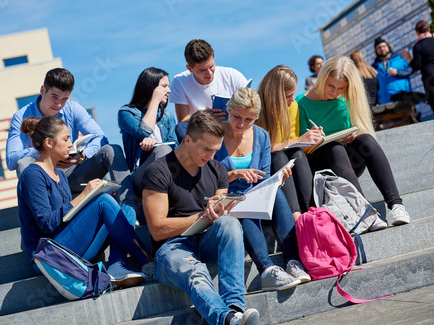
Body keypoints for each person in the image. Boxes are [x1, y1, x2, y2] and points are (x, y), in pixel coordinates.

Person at [141, 110, 259, 325]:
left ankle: (234, 307)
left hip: (206, 243)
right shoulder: (158, 171)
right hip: (171, 250)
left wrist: (218, 212)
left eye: (215, 150)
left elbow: (219, 219)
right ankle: (228, 319)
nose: (211, 156)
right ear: (187, 140)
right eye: (206, 149)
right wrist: (202, 216)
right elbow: (157, 229)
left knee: (230, 223)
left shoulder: (217, 170)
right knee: (194, 270)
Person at [17, 116, 153, 287]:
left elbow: (69, 217)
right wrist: (84, 196)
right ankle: (148, 261)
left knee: (127, 210)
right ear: (49, 143)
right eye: (66, 139)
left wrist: (91, 198)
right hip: (50, 255)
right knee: (103, 202)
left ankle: (116, 265)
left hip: (70, 244)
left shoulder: (59, 175)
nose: (70, 144)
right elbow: (48, 224)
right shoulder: (32, 175)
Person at [214, 87, 310, 291]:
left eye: (248, 119)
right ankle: (267, 269)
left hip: (254, 192)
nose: (241, 123)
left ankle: (293, 261)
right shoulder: (215, 134)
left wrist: (277, 180)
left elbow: (263, 176)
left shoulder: (262, 136)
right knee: (242, 204)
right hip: (227, 195)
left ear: (256, 118)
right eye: (236, 116)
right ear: (228, 110)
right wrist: (234, 175)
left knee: (277, 194)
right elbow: (208, 178)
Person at [296, 56, 411, 227]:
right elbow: (300, 150)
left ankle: (396, 205)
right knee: (333, 147)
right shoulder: (301, 102)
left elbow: (356, 129)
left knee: (366, 139)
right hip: (320, 166)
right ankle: (366, 213)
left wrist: (350, 137)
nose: (334, 92)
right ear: (321, 79)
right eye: (330, 85)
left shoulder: (347, 98)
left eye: (341, 88)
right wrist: (318, 140)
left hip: (347, 162)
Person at [6, 68, 137, 209]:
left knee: (112, 149)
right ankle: (46, 215)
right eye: (54, 97)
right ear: (43, 90)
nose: (58, 105)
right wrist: (42, 149)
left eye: (64, 99)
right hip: (45, 180)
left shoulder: (73, 109)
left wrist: (82, 155)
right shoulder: (21, 116)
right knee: (23, 163)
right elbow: (12, 160)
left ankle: (129, 208)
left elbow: (100, 137)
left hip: (74, 173)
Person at [257, 65, 321, 221]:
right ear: (274, 95)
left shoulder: (293, 107)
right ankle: (295, 216)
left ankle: (313, 210)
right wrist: (299, 140)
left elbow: (292, 145)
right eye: (288, 96)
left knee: (297, 154)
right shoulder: (257, 111)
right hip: (264, 168)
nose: (293, 100)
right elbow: (262, 150)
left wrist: (312, 141)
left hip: (289, 162)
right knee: (278, 156)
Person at [169, 39, 249, 139]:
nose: (209, 73)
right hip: (203, 133)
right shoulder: (180, 81)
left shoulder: (233, 75)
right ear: (189, 69)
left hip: (234, 128)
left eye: (211, 66)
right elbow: (183, 120)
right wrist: (203, 117)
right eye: (202, 70)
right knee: (181, 128)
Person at [118, 67, 179, 194]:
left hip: (168, 170)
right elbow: (144, 132)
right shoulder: (127, 113)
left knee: (167, 151)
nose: (169, 90)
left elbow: (175, 148)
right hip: (141, 174)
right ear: (151, 87)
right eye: (164, 86)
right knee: (163, 149)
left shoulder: (167, 116)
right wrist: (155, 101)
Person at [402, 20, 434, 118]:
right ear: (428, 29)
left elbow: (416, 66)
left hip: (432, 77)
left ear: (417, 32)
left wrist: (408, 57)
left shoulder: (418, 46)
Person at [372, 37, 413, 105]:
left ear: (388, 46)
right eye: (379, 48)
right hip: (385, 103)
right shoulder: (374, 67)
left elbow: (410, 70)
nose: (382, 49)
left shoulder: (400, 59)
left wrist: (397, 72)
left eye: (384, 46)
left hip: (403, 99)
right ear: (376, 50)